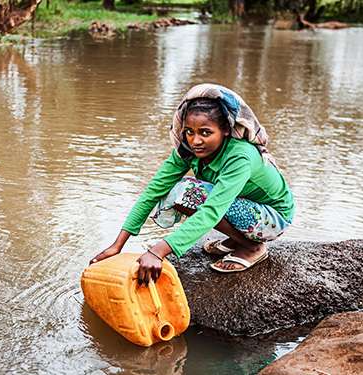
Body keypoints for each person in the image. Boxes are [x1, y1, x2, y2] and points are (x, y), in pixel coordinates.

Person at [90, 83, 295, 285]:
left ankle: (252, 248)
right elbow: (153, 191)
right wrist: (117, 245)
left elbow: (212, 209)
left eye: (205, 132)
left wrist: (157, 251)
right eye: (189, 132)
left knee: (189, 192)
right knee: (174, 191)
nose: (195, 140)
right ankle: (238, 239)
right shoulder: (188, 150)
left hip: (271, 218)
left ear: (225, 130)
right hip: (239, 205)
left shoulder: (240, 156)